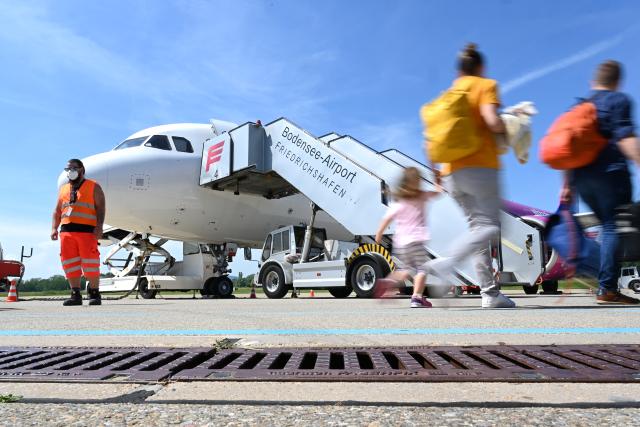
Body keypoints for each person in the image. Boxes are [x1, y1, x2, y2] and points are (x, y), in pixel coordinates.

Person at [421, 43, 515, 309]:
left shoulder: (447, 97)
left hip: (451, 172)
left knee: (477, 230)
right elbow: (492, 120)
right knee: (492, 227)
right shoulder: (485, 85)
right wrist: (508, 133)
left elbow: (429, 142)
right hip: (481, 167)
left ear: (458, 70)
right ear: (480, 67)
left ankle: (490, 294)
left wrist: (435, 173)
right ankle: (447, 262)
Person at [562, 60, 640, 304]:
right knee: (612, 226)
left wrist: (566, 185)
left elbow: (567, 147)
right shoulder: (618, 100)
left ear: (592, 81)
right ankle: (606, 288)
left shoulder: (579, 107)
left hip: (581, 178)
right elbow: (625, 137)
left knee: (606, 228)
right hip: (610, 173)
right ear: (617, 81)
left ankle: (605, 284)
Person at [375, 167, 441, 308]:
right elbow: (438, 193)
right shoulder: (422, 196)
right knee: (422, 269)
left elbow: (386, 219)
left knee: (406, 269)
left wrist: (379, 234)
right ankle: (417, 298)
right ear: (418, 182)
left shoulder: (399, 202)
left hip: (401, 243)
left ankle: (389, 283)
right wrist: (438, 179)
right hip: (416, 240)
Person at [51, 159, 106, 306]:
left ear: (82, 170)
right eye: (68, 169)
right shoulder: (63, 189)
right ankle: (75, 294)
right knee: (70, 264)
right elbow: (57, 211)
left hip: (87, 232)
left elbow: (100, 208)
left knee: (90, 263)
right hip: (67, 232)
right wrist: (54, 228)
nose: (70, 171)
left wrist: (99, 227)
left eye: (74, 168)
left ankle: (94, 293)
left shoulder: (93, 186)